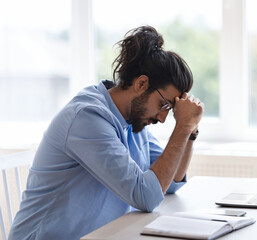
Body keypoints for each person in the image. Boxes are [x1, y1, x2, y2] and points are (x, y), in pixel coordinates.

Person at [9, 25, 204, 240]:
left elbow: (170, 183)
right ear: (141, 84)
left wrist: (190, 132)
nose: (162, 118)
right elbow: (147, 196)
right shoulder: (87, 118)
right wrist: (182, 127)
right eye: (164, 105)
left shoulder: (133, 120)